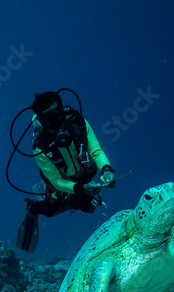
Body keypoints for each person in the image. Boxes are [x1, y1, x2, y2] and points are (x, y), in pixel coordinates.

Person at [16, 91, 116, 252]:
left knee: (85, 204)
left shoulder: (79, 123)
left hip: (82, 172)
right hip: (58, 179)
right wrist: (79, 189)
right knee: (51, 210)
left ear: (63, 111)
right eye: (49, 121)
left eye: (58, 116)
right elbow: (56, 181)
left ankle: (74, 199)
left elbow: (96, 152)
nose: (56, 125)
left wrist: (106, 169)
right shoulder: (39, 147)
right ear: (41, 121)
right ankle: (33, 207)